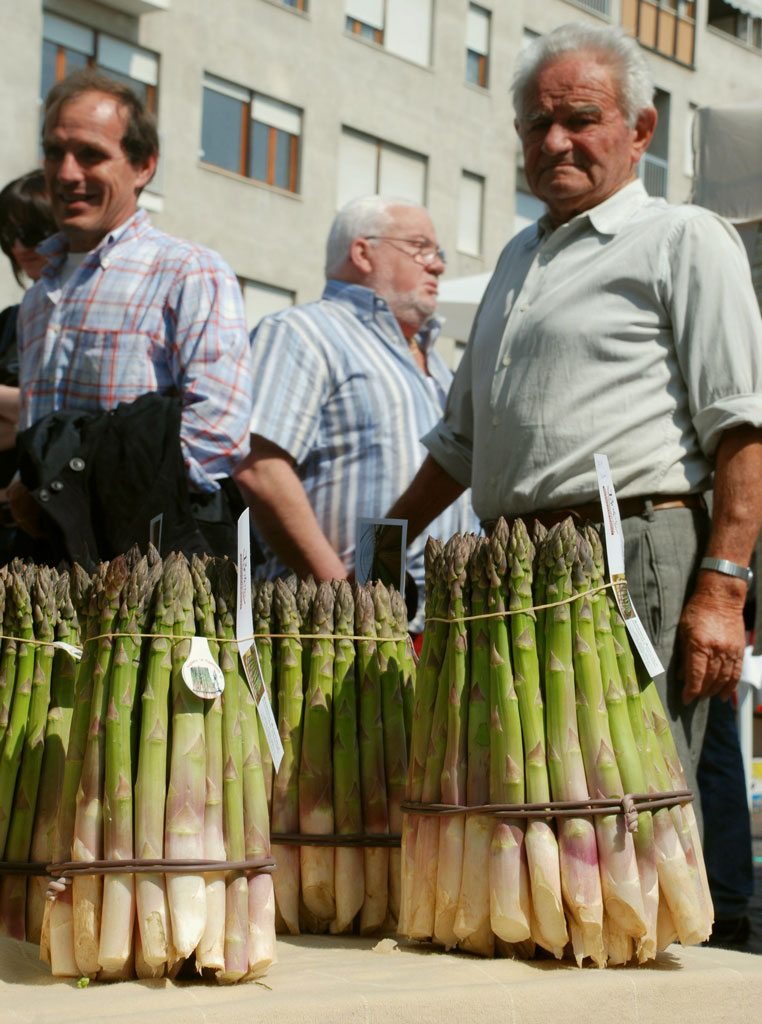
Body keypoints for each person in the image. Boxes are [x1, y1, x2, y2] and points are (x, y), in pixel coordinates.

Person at [386, 23, 762, 801]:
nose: (555, 142)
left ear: (640, 131)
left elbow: (743, 425)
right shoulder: (517, 260)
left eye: (580, 119)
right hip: (508, 561)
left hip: (631, 551)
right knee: (520, 793)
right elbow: (461, 444)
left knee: (626, 799)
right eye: (536, 125)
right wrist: (385, 542)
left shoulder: (683, 238)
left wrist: (724, 589)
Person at [13, 69, 252, 561]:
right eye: (55, 152)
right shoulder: (39, 299)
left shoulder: (187, 271)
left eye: (91, 154)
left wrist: (78, 487)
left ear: (143, 166)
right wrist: (28, 481)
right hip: (51, 563)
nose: (66, 173)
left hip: (152, 563)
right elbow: (38, 426)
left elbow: (218, 431)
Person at [234, 195, 476, 627]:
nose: (437, 265)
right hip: (328, 631)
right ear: (363, 252)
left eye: (436, 252)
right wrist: (343, 599)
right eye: (420, 248)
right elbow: (260, 468)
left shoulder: (438, 366)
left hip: (439, 630)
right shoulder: (301, 333)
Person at [0, 170, 58, 561]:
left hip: (49, 517)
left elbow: (58, 413)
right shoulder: (9, 321)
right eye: (8, 235)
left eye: (32, 232)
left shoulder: (82, 314)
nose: (20, 247)